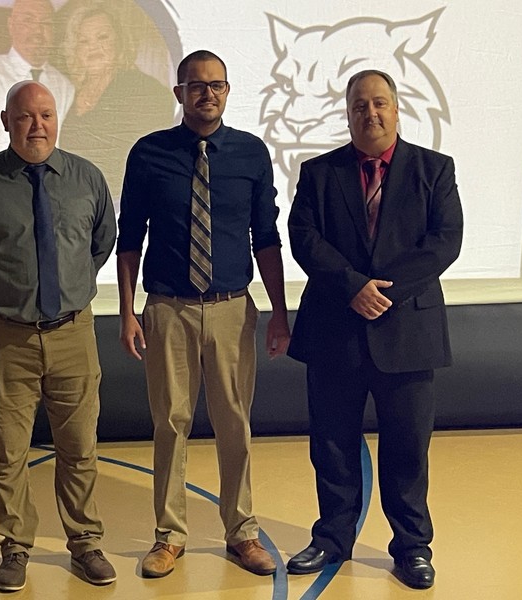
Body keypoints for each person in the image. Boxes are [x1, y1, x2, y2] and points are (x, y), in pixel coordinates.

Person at [285, 69, 463, 590]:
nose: (371, 113)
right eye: (360, 104)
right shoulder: (319, 173)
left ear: (396, 108)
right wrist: (352, 286)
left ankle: (412, 546)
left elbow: (445, 241)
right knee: (332, 445)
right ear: (347, 112)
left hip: (409, 332)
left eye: (380, 102)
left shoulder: (434, 169)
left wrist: (382, 291)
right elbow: (303, 237)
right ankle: (332, 538)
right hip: (334, 331)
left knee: (408, 448)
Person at [116, 50, 291, 579]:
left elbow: (267, 239)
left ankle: (242, 532)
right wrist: (127, 312)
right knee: (170, 422)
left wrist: (280, 312)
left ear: (228, 90)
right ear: (179, 93)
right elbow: (129, 240)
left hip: (232, 309)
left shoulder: (250, 153)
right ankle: (169, 536)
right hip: (167, 309)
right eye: (196, 85)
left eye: (215, 85)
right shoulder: (148, 153)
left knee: (234, 422)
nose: (206, 94)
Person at [0, 81, 117, 592]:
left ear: (57, 118)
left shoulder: (86, 177)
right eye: (25, 117)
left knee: (80, 447)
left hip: (73, 333)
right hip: (6, 337)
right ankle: (15, 547)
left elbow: (101, 243)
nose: (36, 125)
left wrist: (66, 288)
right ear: (5, 121)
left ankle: (85, 542)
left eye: (46, 114)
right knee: (8, 452)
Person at [58, 2, 174, 197]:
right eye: (83, 41)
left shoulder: (144, 89)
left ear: (119, 41)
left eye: (102, 37)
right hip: (76, 200)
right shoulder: (66, 93)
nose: (92, 47)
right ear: (75, 50)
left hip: (124, 201)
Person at [0, 0, 74, 163]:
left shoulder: (64, 86)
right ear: (11, 25)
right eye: (28, 20)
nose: (37, 30)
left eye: (45, 22)